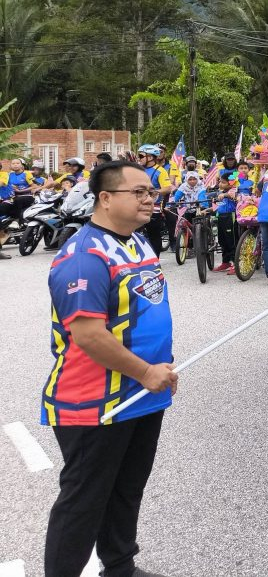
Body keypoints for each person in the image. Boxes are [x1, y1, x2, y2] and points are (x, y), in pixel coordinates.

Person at [42, 160, 178, 577]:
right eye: (137, 192)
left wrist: (156, 373)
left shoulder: (136, 242)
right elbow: (89, 335)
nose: (149, 200)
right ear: (104, 198)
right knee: (84, 502)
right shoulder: (84, 257)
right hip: (96, 403)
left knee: (125, 491)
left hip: (141, 396)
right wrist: (145, 372)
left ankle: (119, 567)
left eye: (151, 193)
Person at [136, 146, 172, 256]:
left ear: (150, 157)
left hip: (154, 205)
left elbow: (167, 188)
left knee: (154, 234)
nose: (139, 158)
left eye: (141, 156)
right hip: (137, 204)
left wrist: (155, 192)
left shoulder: (160, 171)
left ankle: (155, 260)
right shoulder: (138, 169)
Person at [211, 172, 238, 273]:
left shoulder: (234, 190)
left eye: (223, 182)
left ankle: (236, 264)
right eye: (220, 182)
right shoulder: (220, 192)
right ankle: (225, 262)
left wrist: (225, 194)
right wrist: (208, 210)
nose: (220, 184)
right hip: (220, 217)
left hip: (230, 217)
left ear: (230, 183)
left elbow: (234, 195)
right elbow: (218, 205)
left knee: (231, 241)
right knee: (222, 241)